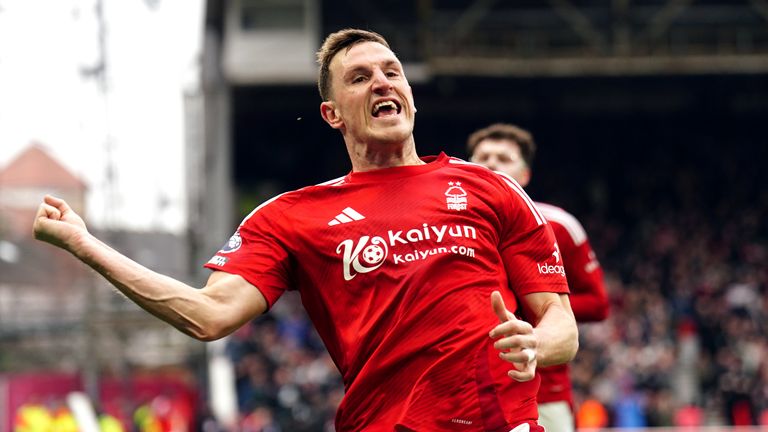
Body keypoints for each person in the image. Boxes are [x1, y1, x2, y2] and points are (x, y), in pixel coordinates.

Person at [33, 29, 578, 431]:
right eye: (359, 78)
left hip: (501, 422)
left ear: (410, 94)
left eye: (392, 72)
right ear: (332, 114)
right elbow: (208, 315)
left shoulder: (491, 189)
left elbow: (562, 326)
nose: (382, 83)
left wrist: (533, 343)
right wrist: (85, 244)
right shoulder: (291, 217)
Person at [468, 123, 609, 432]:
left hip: (544, 391)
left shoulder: (559, 225)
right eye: (483, 157)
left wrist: (531, 309)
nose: (491, 164)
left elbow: (598, 304)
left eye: (503, 158)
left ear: (525, 175)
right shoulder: (446, 227)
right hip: (468, 392)